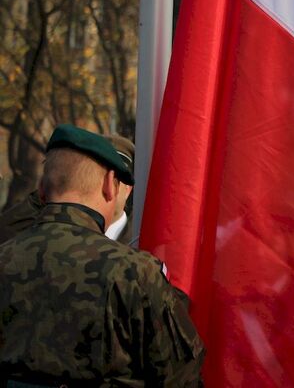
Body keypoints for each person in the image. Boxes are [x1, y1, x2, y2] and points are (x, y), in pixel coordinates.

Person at [0, 124, 204, 386]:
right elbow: (182, 377)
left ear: (41, 190)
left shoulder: (5, 259)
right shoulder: (134, 272)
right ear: (111, 184)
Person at [0, 133, 135, 246]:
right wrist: (51, 187)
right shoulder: (40, 226)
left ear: (128, 187)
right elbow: (6, 230)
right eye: (89, 173)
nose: (98, 183)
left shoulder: (143, 240)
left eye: (114, 177)